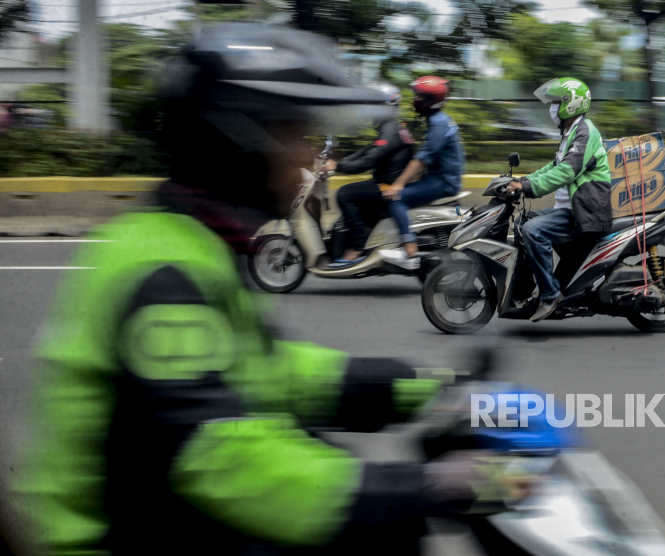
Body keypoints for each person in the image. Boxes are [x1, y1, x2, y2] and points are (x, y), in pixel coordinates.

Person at [14, 24, 519, 556]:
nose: (305, 156)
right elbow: (217, 453)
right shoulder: (165, 272)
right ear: (240, 140)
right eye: (293, 134)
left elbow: (272, 371)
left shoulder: (192, 241)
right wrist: (425, 488)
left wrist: (430, 386)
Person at [506, 77, 612, 322]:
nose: (551, 107)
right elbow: (552, 167)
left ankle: (550, 294)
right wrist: (524, 180)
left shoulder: (586, 133)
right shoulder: (571, 133)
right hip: (569, 208)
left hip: (585, 212)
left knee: (533, 230)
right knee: (522, 223)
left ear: (571, 104)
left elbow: (567, 171)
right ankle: (526, 290)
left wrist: (527, 186)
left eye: (555, 102)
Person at [317, 83, 414, 268]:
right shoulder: (391, 127)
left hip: (388, 186)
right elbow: (367, 150)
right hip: (385, 182)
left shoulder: (391, 130)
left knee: (345, 194)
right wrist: (337, 162)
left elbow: (367, 161)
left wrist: (338, 166)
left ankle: (357, 246)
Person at [378, 76, 466, 271]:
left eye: (417, 96)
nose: (413, 100)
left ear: (429, 100)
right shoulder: (437, 120)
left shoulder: (439, 123)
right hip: (437, 178)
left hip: (442, 182)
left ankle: (409, 251)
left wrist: (398, 184)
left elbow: (422, 159)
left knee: (396, 198)